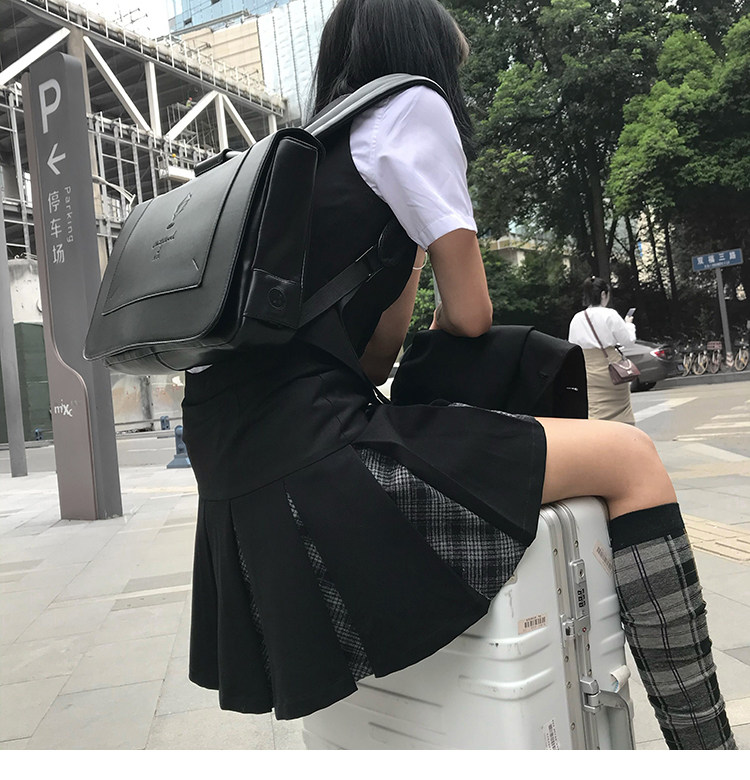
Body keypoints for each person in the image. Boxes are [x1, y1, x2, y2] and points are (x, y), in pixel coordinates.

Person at [182, 0, 735, 750]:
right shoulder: (412, 104)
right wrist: (423, 242)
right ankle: (707, 749)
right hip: (321, 455)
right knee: (631, 459)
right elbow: (470, 315)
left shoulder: (305, 155)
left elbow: (372, 361)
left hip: (237, 468)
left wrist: (399, 249)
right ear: (424, 53)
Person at [568, 276, 638, 425]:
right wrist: (628, 325)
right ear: (603, 294)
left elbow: (572, 347)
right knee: (622, 411)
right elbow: (628, 341)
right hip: (612, 369)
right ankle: (624, 436)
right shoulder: (610, 314)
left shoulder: (577, 319)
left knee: (595, 410)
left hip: (588, 370)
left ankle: (599, 437)